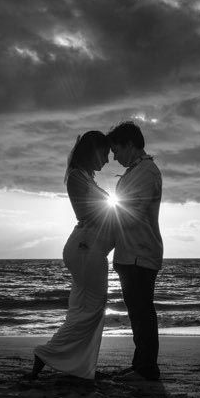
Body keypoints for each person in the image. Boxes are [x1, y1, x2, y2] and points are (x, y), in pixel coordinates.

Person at [20, 131, 115, 383]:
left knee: (82, 310)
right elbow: (94, 214)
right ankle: (46, 354)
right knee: (92, 311)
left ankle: (79, 367)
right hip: (85, 249)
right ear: (93, 150)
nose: (106, 160)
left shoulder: (85, 177)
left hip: (87, 248)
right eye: (104, 154)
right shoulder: (77, 177)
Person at [107, 121, 163, 381]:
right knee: (137, 312)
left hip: (141, 252)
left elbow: (131, 211)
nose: (114, 156)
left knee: (142, 312)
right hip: (131, 253)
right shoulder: (136, 171)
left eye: (116, 149)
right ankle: (141, 364)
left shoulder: (146, 171)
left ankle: (146, 369)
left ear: (129, 144)